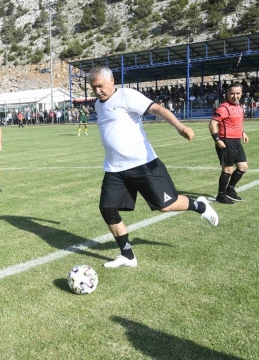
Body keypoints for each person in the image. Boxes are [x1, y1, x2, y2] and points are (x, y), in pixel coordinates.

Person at [87, 66, 218, 268]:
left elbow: (157, 109)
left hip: (144, 164)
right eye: (93, 87)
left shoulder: (127, 95)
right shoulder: (98, 104)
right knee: (107, 208)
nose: (97, 91)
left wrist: (180, 126)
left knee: (165, 206)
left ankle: (199, 205)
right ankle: (127, 255)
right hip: (114, 168)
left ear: (112, 80)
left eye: (100, 86)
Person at [209, 83, 249, 204]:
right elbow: (212, 124)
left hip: (236, 141)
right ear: (227, 94)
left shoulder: (239, 107)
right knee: (228, 169)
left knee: (243, 167)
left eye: (237, 93)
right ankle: (221, 195)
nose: (235, 96)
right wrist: (217, 140)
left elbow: (236, 123)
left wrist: (243, 132)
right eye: (232, 93)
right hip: (226, 141)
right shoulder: (223, 108)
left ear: (241, 94)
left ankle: (230, 190)